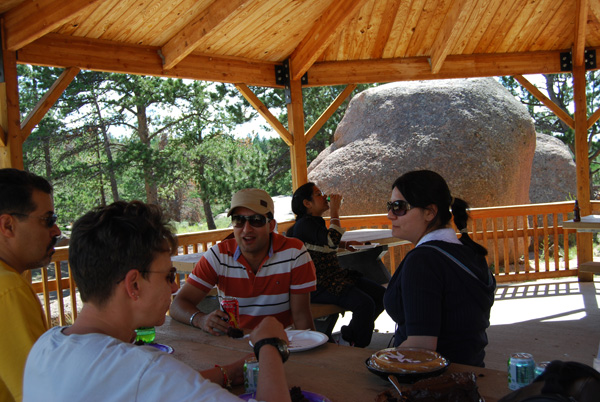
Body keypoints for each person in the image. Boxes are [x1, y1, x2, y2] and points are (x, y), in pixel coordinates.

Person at [23, 201, 292, 402]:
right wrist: (269, 347)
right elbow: (148, 378)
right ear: (134, 285)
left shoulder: (45, 347)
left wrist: (224, 374)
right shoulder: (144, 369)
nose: (175, 286)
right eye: (169, 275)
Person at [383, 170, 496, 367]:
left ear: (430, 212)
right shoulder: (470, 253)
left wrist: (377, 361)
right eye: (390, 206)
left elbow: (421, 346)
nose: (390, 215)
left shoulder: (423, 260)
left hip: (433, 380)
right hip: (469, 372)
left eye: (399, 207)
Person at [170, 188, 316, 335]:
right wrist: (200, 319)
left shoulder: (294, 252)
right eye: (238, 220)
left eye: (256, 221)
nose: (246, 229)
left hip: (280, 344)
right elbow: (177, 305)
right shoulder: (218, 255)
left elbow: (301, 316)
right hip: (233, 344)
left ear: (271, 225)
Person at [286, 183, 385, 347]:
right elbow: (331, 240)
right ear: (307, 203)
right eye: (319, 194)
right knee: (365, 304)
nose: (325, 196)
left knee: (382, 296)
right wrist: (334, 210)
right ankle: (357, 345)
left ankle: (351, 333)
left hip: (335, 278)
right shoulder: (304, 224)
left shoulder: (313, 222)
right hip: (320, 284)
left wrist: (344, 244)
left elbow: (322, 242)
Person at [0, 168, 61, 402]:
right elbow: (39, 393)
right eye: (48, 220)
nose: (56, 230)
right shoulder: (8, 289)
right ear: (7, 226)